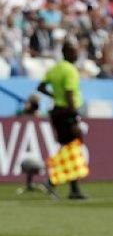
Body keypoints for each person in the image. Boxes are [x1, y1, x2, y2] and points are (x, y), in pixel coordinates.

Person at [37, 41, 87, 200]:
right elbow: (69, 94)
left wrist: (54, 96)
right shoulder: (70, 70)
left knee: (69, 148)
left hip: (57, 111)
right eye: (75, 51)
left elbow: (41, 87)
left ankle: (72, 188)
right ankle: (52, 181)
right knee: (72, 148)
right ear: (68, 53)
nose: (77, 54)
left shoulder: (55, 68)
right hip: (67, 112)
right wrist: (74, 116)